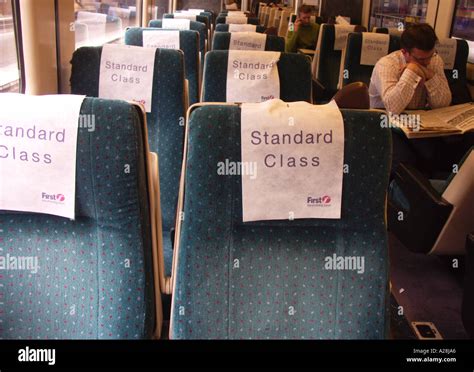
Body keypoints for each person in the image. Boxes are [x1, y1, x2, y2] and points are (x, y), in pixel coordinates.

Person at [369, 23, 451, 115]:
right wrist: (412, 70)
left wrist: (428, 74)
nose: (428, 62)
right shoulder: (386, 64)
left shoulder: (435, 60)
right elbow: (393, 109)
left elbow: (443, 105)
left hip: (417, 119)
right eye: (421, 59)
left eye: (430, 56)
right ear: (404, 52)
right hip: (384, 121)